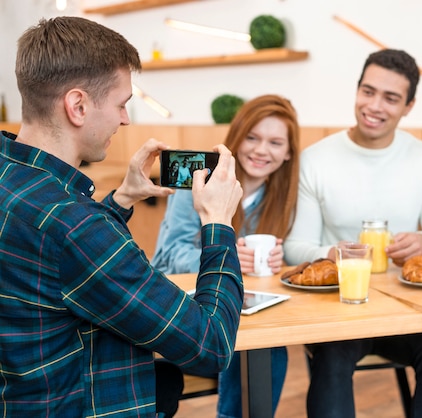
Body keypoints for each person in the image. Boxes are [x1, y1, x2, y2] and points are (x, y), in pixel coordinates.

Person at [0, 16, 244, 417]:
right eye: (121, 103)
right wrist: (217, 223)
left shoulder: (19, 180)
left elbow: (60, 267)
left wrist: (123, 199)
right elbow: (211, 345)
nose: (126, 119)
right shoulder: (74, 225)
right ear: (77, 105)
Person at [283, 49, 422, 418]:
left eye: (391, 98)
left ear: (409, 106)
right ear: (357, 90)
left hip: (406, 310)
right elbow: (293, 248)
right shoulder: (316, 159)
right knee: (332, 355)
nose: (375, 105)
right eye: (368, 92)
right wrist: (332, 253)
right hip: (341, 311)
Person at [152, 94, 300, 418]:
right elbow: (165, 257)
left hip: (245, 316)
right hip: (188, 317)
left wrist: (278, 260)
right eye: (252, 138)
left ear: (288, 153)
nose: (262, 150)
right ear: (236, 138)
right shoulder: (198, 180)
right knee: (246, 346)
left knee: (268, 345)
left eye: (275, 143)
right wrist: (225, 259)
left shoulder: (285, 196)